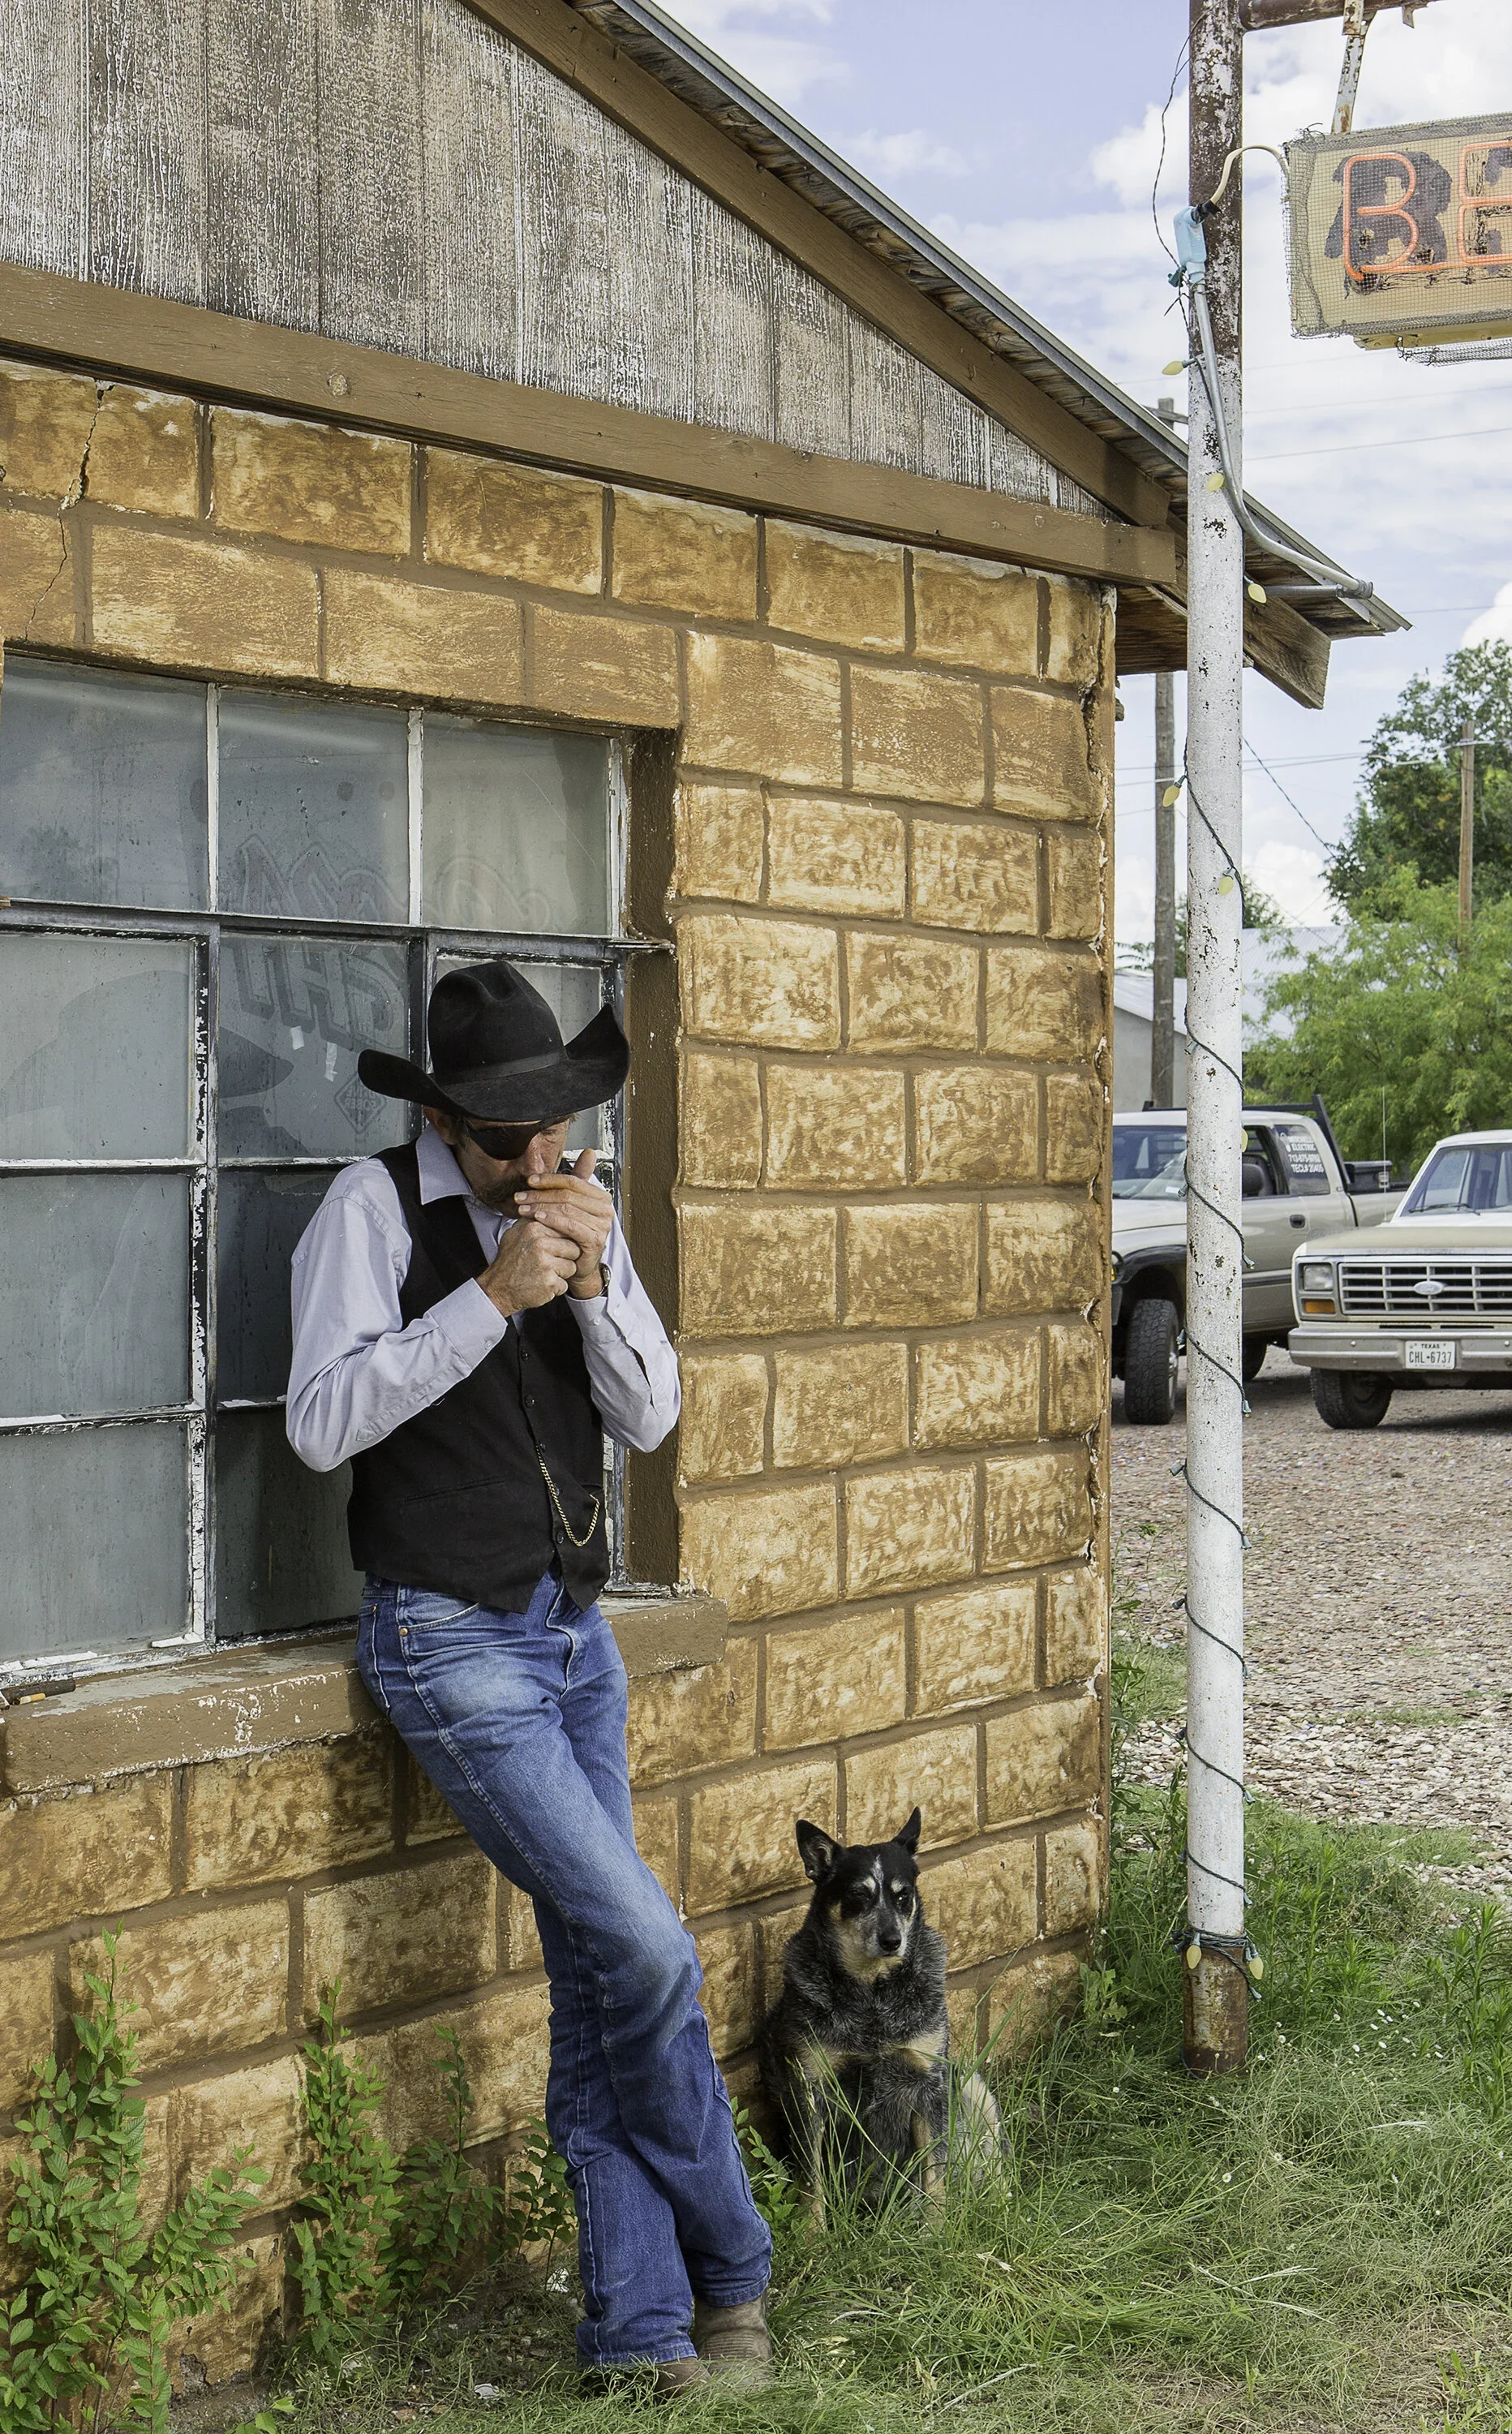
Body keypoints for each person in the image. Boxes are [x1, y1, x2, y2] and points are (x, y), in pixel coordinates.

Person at [286, 957, 771, 2391]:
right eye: (508, 1141)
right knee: (648, 1947)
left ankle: (639, 2336)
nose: (538, 1160)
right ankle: (736, 2264)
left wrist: (601, 1278)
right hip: (445, 1635)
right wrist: (491, 1297)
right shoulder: (366, 1213)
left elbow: (653, 1413)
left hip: (576, 1637)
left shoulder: (576, 1215)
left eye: (555, 1131)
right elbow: (320, 1423)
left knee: (595, 1976)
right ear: (443, 1122)